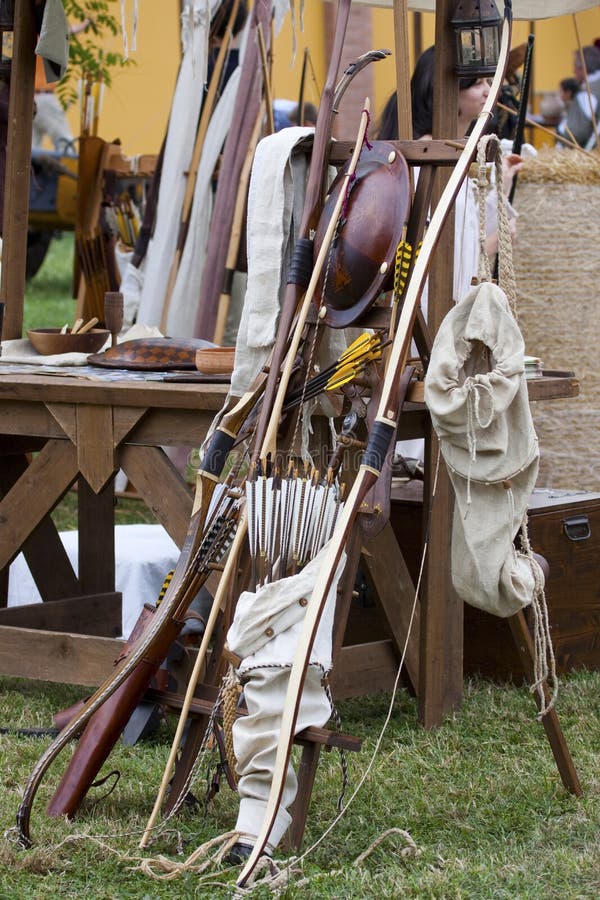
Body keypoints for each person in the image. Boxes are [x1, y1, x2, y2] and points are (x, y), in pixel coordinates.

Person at [557, 44, 600, 148]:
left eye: (575, 66)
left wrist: (561, 136)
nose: (574, 70)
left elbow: (576, 133)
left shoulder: (587, 94)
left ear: (584, 68)